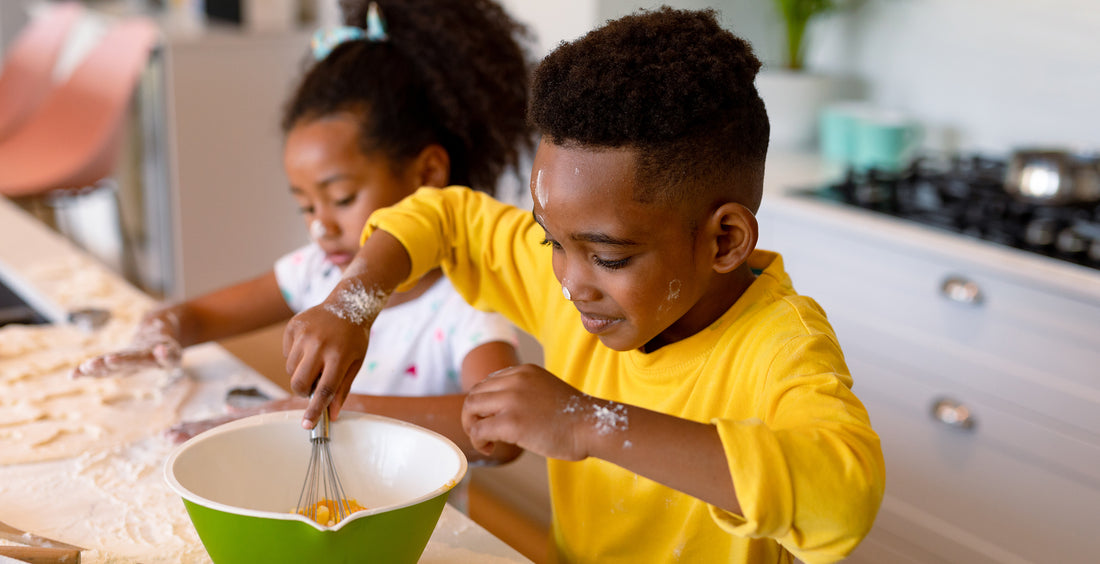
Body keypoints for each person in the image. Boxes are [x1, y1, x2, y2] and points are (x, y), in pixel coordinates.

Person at [281, 6, 885, 563]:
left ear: (724, 241)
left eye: (610, 258)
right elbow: (444, 217)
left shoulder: (780, 347)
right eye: (551, 241)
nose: (569, 282)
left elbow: (843, 497)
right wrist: (353, 301)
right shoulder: (580, 276)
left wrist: (587, 422)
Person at [72, 0, 533, 466]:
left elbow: (502, 434)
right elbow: (196, 317)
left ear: (428, 174)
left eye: (342, 198)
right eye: (306, 206)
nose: (321, 225)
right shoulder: (316, 272)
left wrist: (333, 410)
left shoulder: (467, 304)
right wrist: (159, 333)